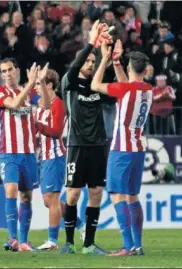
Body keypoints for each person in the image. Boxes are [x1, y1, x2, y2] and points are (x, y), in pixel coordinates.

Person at [91, 39, 153, 256]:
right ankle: (138, 245)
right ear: (145, 70)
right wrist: (117, 64)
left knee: (117, 195)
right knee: (133, 196)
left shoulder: (125, 89)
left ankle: (127, 246)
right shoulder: (148, 89)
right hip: (138, 149)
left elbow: (95, 85)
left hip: (121, 149)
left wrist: (105, 61)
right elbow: (127, 86)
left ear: (130, 68)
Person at [59, 21, 112, 255]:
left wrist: (107, 58)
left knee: (96, 193)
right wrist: (91, 42)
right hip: (77, 145)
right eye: (87, 61)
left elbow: (112, 89)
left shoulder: (97, 86)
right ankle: (69, 241)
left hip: (98, 145)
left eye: (93, 62)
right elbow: (76, 66)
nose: (90, 65)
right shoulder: (69, 82)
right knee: (72, 194)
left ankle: (89, 244)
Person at [34, 68, 86, 251]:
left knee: (52, 198)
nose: (35, 88)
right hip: (45, 158)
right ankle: (80, 224)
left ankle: (52, 241)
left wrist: (37, 125)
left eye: (39, 84)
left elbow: (55, 132)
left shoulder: (58, 105)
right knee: (48, 201)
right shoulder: (39, 105)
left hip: (55, 156)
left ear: (49, 85)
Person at [0, 59, 41, 252]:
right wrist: (30, 84)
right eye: (3, 71)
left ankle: (23, 240)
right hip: (9, 152)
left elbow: (45, 104)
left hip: (28, 152)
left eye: (10, 70)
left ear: (17, 70)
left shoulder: (30, 94)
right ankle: (12, 238)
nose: (7, 74)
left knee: (27, 197)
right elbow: (13, 105)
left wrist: (41, 82)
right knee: (11, 191)